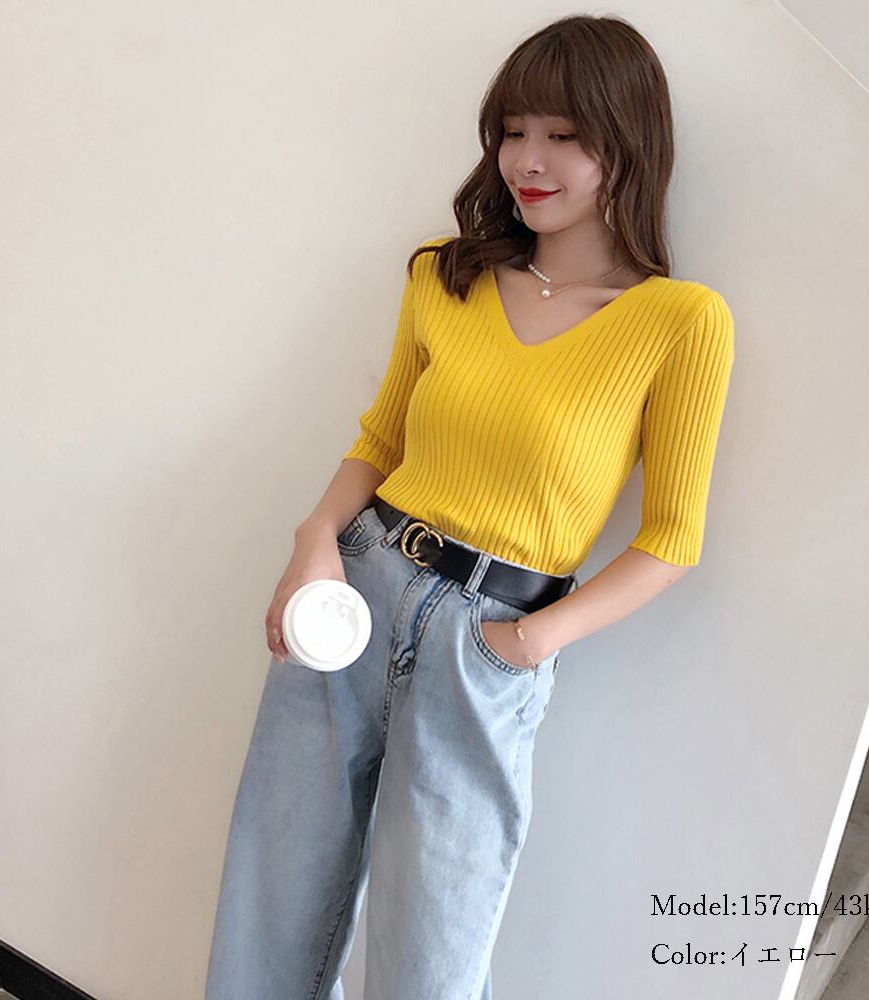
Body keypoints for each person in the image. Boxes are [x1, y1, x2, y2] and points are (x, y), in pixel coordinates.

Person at [204, 13, 735, 1000]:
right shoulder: (442, 275)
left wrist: (530, 644)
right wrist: (314, 541)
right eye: (513, 130)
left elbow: (672, 540)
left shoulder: (679, 322)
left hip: (490, 641)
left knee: (433, 954)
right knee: (271, 899)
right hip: (356, 588)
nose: (528, 160)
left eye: (564, 135)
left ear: (628, 144)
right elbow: (380, 440)